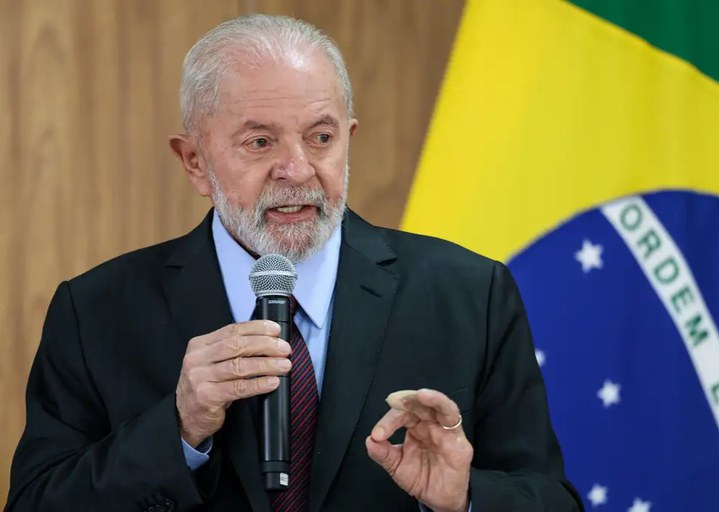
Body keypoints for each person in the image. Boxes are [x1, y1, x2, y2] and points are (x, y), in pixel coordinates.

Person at [6, 14, 583, 512]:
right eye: (260, 142)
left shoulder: (470, 295)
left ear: (349, 138)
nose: (298, 169)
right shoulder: (96, 311)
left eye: (321, 137)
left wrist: (465, 499)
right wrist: (177, 429)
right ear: (195, 162)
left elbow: (552, 499)